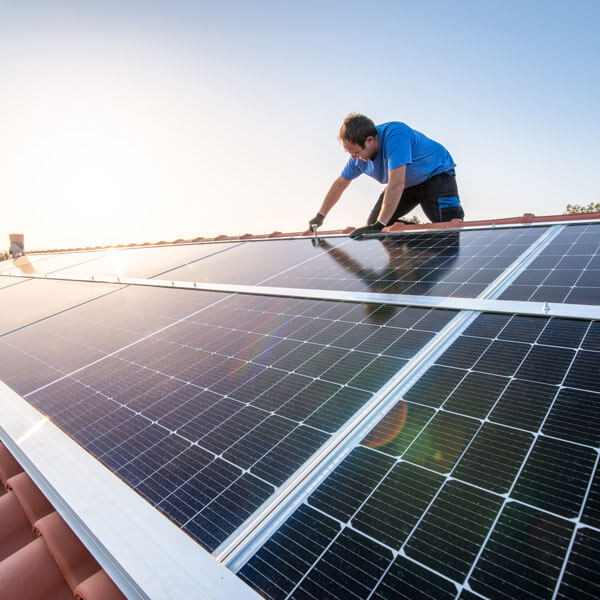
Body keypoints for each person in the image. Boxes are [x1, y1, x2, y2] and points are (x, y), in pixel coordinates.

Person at [308, 113, 464, 239]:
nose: (353, 158)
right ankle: (421, 251)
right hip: (407, 185)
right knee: (374, 224)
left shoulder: (395, 135)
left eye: (356, 152)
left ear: (369, 141)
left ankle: (440, 241)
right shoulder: (357, 160)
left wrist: (379, 225)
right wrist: (320, 216)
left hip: (435, 175)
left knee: (450, 228)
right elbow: (340, 184)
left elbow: (396, 183)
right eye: (350, 154)